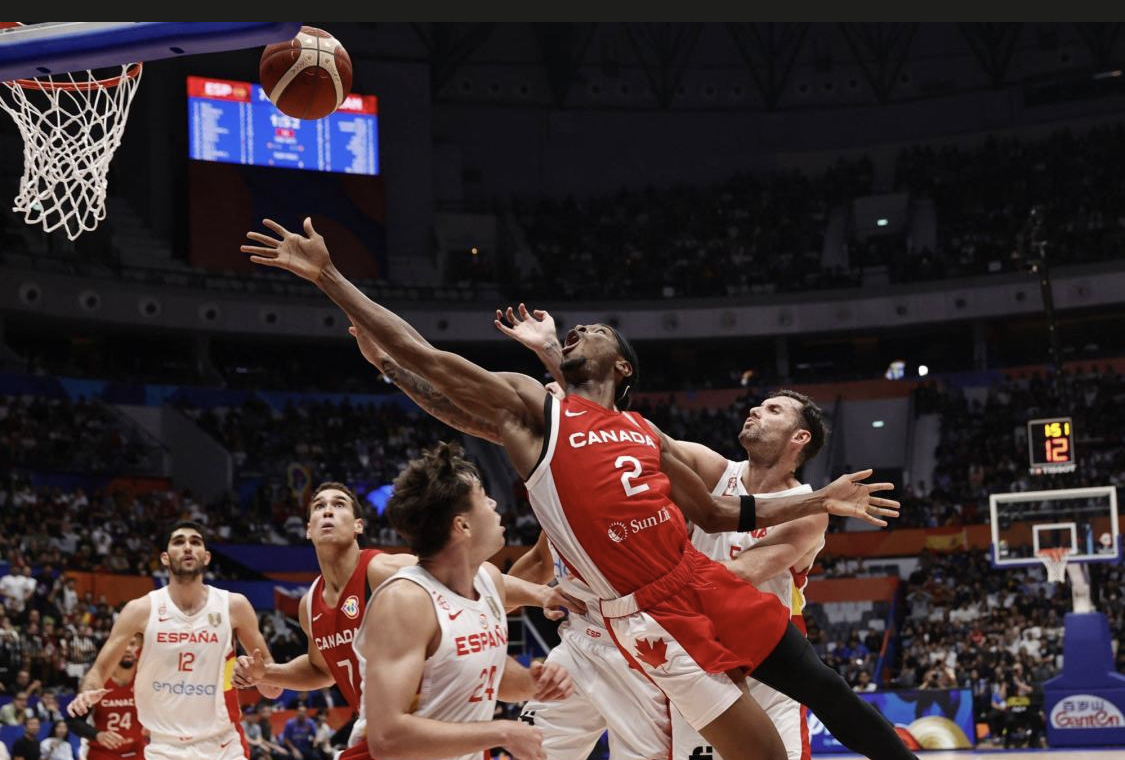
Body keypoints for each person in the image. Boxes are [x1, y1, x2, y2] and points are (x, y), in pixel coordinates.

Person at [242, 217, 909, 760]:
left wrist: (820, 498)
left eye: (593, 332)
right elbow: (434, 364)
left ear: (622, 367)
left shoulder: (643, 431)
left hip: (696, 582)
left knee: (822, 690)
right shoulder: (537, 412)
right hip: (635, 614)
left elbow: (713, 512)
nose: (577, 331)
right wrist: (331, 280)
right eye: (573, 333)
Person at [232, 483, 577, 753]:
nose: (327, 511)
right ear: (308, 529)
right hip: (394, 735)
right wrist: (268, 673)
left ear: (358, 525)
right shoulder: (309, 604)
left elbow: (466, 576)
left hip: (433, 726)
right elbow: (322, 670)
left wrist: (539, 594)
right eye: (319, 506)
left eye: (339, 505)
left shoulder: (384, 571)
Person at [359, 442, 572, 760]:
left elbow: (489, 674)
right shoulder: (406, 601)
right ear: (462, 526)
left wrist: (534, 683)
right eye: (483, 497)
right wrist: (501, 732)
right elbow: (387, 738)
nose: (494, 503)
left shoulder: (489, 580)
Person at [67, 521, 283, 760]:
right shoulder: (140, 610)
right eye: (179, 542)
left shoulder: (234, 606)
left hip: (224, 744)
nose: (188, 547)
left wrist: (262, 676)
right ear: (165, 558)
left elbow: (272, 689)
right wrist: (86, 694)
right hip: (163, 746)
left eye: (195, 542)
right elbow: (99, 671)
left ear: (207, 557)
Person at [66, 634, 144, 760]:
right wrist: (97, 735)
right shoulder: (97, 682)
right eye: (123, 644)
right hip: (101, 752)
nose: (128, 649)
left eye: (133, 644)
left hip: (137, 751)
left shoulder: (145, 680)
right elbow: (73, 721)